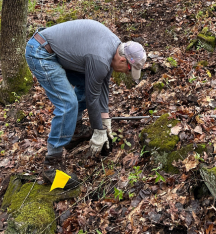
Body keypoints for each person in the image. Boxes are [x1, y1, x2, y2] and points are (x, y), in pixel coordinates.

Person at [25, 19, 146, 188]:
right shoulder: (101, 58)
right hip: (41, 52)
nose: (127, 73)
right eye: (129, 69)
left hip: (56, 52)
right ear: (122, 59)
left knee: (82, 87)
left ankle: (74, 131)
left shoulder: (113, 49)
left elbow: (102, 87)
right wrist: (98, 131)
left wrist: (105, 122)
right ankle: (52, 163)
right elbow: (92, 98)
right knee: (68, 104)